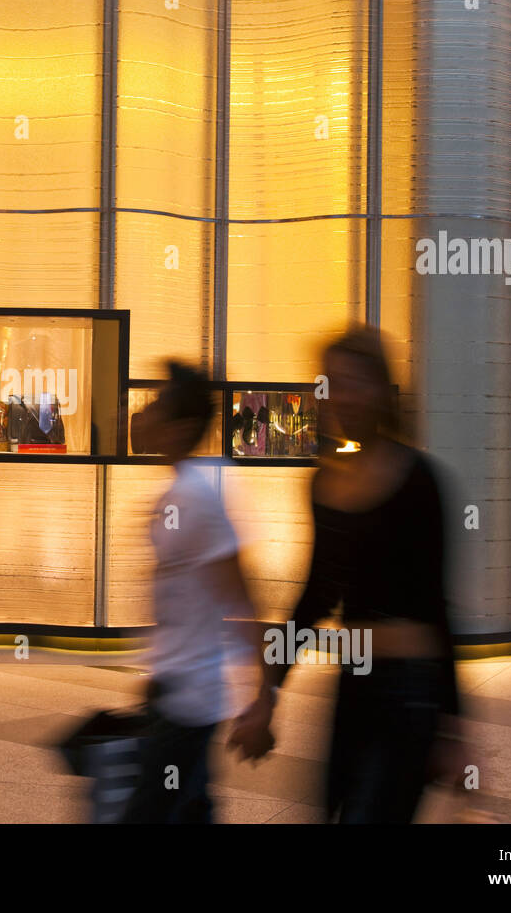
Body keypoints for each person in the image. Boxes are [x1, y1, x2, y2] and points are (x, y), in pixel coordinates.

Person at [228, 325, 468, 823]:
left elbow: (439, 610)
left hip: (411, 693)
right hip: (353, 683)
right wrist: (267, 696)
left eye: (355, 382)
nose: (342, 397)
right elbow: (315, 597)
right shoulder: (323, 482)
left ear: (382, 390)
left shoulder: (419, 480)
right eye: (330, 383)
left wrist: (453, 728)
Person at [121, 362, 268, 823]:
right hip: (175, 689)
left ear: (181, 427)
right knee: (189, 810)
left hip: (190, 701)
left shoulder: (196, 495)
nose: (145, 412)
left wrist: (263, 700)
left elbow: (243, 600)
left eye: (157, 403)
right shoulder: (190, 486)